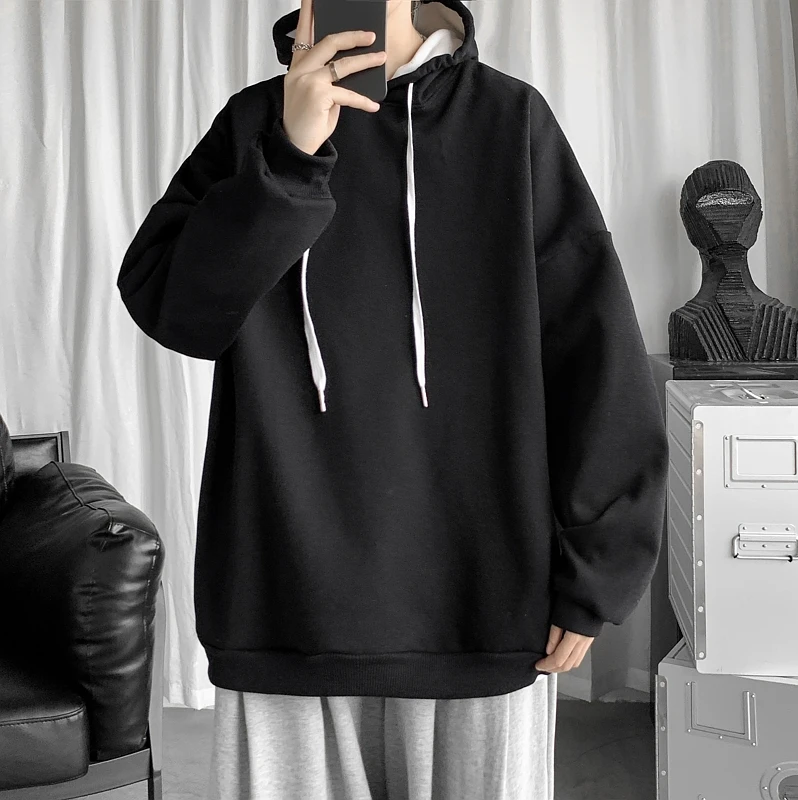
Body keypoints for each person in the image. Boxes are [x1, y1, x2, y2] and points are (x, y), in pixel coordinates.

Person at [116, 0, 669, 797]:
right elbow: (173, 310)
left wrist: (597, 571)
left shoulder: (508, 121)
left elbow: (594, 351)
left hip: (479, 604)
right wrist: (289, 158)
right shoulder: (254, 127)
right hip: (285, 608)